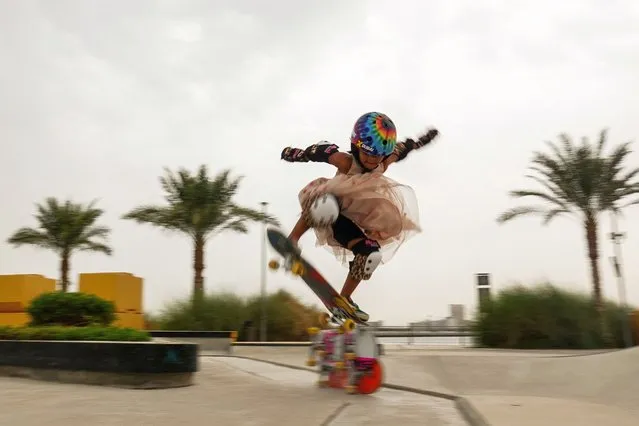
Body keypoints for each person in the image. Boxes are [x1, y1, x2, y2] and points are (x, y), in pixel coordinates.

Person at [280, 111, 438, 321]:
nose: (373, 161)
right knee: (324, 203)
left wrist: (420, 142)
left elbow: (401, 149)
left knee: (371, 254)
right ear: (356, 147)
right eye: (368, 155)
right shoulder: (345, 161)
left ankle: (343, 300)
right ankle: (292, 240)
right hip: (329, 207)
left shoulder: (383, 161)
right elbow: (320, 152)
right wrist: (297, 154)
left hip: (350, 221)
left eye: (377, 157)